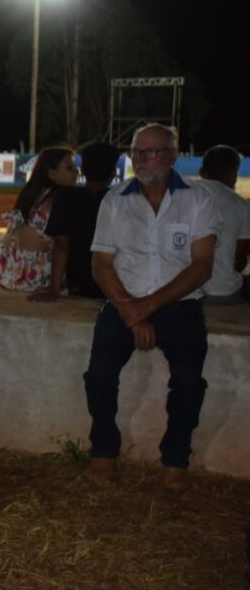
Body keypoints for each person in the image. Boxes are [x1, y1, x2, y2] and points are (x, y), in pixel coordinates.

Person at [83, 124, 219, 495]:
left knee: (189, 383)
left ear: (173, 156)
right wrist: (130, 309)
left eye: (151, 152)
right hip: (123, 301)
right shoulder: (115, 200)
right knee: (98, 376)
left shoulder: (198, 198)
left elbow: (201, 266)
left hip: (180, 307)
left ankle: (176, 460)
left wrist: (146, 308)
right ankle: (104, 450)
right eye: (136, 152)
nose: (141, 159)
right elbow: (101, 265)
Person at [29, 141, 119, 301]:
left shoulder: (65, 197)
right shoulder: (119, 200)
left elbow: (61, 245)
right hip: (112, 286)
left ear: (83, 169)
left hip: (77, 284)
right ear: (113, 173)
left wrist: (53, 289)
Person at [0, 146, 77, 291]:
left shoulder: (30, 193)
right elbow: (62, 246)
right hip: (35, 276)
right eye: (69, 168)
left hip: (4, 269)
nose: (76, 172)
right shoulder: (60, 197)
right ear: (51, 173)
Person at [196, 145, 249, 303]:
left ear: (201, 171)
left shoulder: (178, 196)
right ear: (233, 174)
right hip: (223, 293)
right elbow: (239, 262)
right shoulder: (242, 206)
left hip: (179, 294)